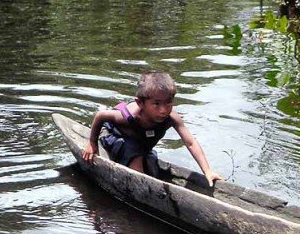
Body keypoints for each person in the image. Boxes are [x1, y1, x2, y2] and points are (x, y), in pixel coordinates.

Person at [82, 72, 222, 187]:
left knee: (151, 163)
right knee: (136, 157)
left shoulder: (172, 118)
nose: (163, 110)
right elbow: (100, 116)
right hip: (113, 136)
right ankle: (142, 187)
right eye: (156, 104)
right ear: (140, 103)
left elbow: (190, 142)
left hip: (140, 143)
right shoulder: (129, 117)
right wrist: (92, 143)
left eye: (168, 103)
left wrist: (207, 171)